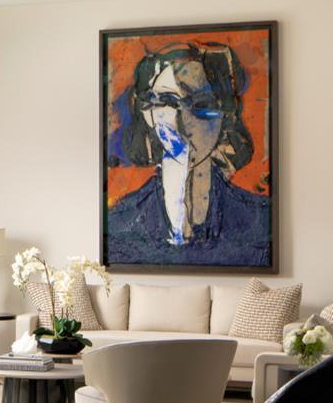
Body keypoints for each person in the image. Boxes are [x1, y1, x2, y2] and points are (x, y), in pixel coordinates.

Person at [105, 42, 271, 268]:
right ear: (147, 113)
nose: (180, 122)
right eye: (166, 101)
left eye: (201, 104)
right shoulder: (118, 223)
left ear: (225, 115)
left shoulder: (260, 220)